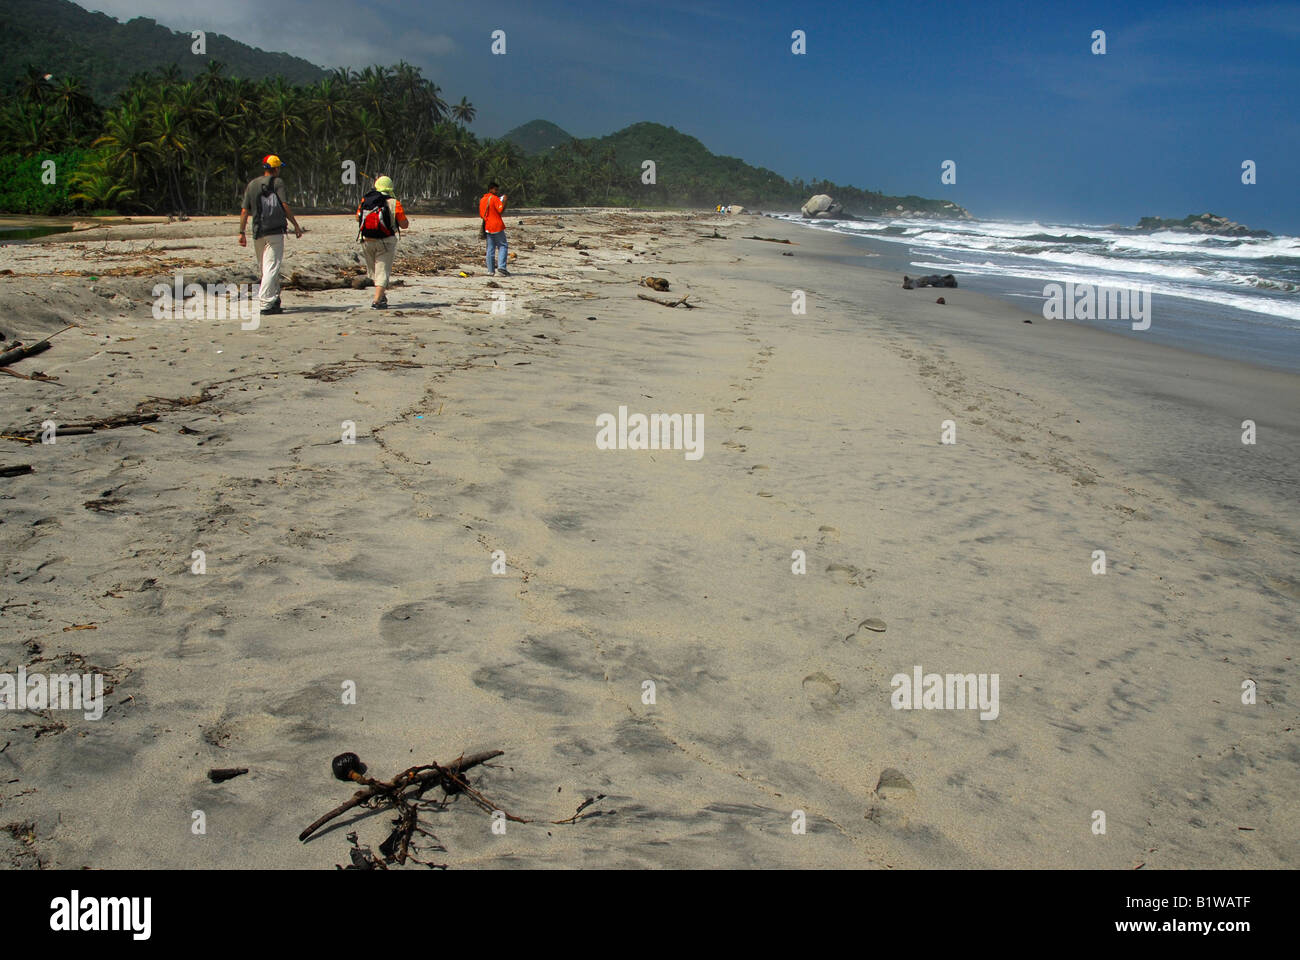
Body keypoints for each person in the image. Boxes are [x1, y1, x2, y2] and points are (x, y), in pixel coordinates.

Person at [238, 155, 303, 315]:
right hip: (274, 231)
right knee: (272, 267)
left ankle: (274, 299)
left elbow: (245, 211)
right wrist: (295, 224)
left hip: (258, 232)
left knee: (265, 267)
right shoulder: (278, 182)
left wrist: (241, 232)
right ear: (276, 169)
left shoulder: (252, 184)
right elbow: (284, 205)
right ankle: (265, 302)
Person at [356, 175, 410, 309]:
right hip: (386, 241)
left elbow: (358, 218)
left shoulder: (366, 199)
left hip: (366, 240)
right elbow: (404, 225)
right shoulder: (394, 202)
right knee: (382, 271)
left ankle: (382, 296)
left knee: (374, 271)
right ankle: (376, 301)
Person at [479, 182, 509, 277]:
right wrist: (504, 201)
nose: (497, 192)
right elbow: (500, 210)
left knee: (490, 249)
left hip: (488, 226)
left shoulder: (483, 199)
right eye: (495, 190)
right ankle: (501, 268)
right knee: (503, 245)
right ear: (491, 189)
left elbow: (481, 214)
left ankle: (490, 270)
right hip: (496, 225)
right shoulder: (494, 198)